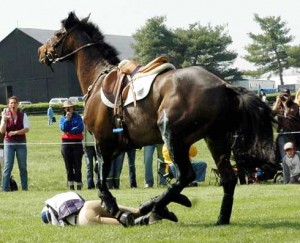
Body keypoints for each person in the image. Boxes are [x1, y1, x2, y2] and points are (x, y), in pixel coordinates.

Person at [40, 191, 186, 227]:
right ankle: (162, 199)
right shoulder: (59, 197)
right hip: (89, 204)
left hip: (83, 218)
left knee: (127, 224)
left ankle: (153, 217)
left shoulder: (51, 212)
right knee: (135, 211)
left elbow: (58, 220)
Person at [0, 96, 30, 191]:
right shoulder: (5, 115)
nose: (13, 104)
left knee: (23, 166)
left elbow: (27, 129)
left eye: (14, 103)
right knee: (8, 166)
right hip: (9, 142)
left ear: (17, 104)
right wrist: (4, 120)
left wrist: (15, 132)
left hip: (21, 143)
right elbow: (2, 130)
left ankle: (25, 188)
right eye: (11, 103)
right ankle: (4, 188)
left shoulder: (23, 115)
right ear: (8, 105)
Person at [59, 100, 84, 190]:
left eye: (70, 107)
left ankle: (79, 183)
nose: (68, 109)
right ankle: (71, 185)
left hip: (77, 143)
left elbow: (80, 127)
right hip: (66, 144)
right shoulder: (62, 118)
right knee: (68, 166)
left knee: (77, 165)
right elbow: (63, 128)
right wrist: (67, 120)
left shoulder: (78, 117)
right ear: (64, 109)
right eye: (67, 108)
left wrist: (69, 131)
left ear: (73, 108)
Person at [273, 89, 300, 162]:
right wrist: (276, 104)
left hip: (294, 134)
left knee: (296, 154)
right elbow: (271, 115)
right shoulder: (279, 106)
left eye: (286, 95)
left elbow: (288, 117)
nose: (284, 97)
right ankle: (286, 165)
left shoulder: (294, 106)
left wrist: (285, 105)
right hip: (283, 134)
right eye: (282, 95)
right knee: (285, 153)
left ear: (290, 96)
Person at [83, 124, 96, 189]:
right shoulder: (85, 119)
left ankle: (99, 183)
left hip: (97, 145)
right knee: (89, 165)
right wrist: (83, 145)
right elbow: (83, 133)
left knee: (98, 165)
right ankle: (90, 184)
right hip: (88, 146)